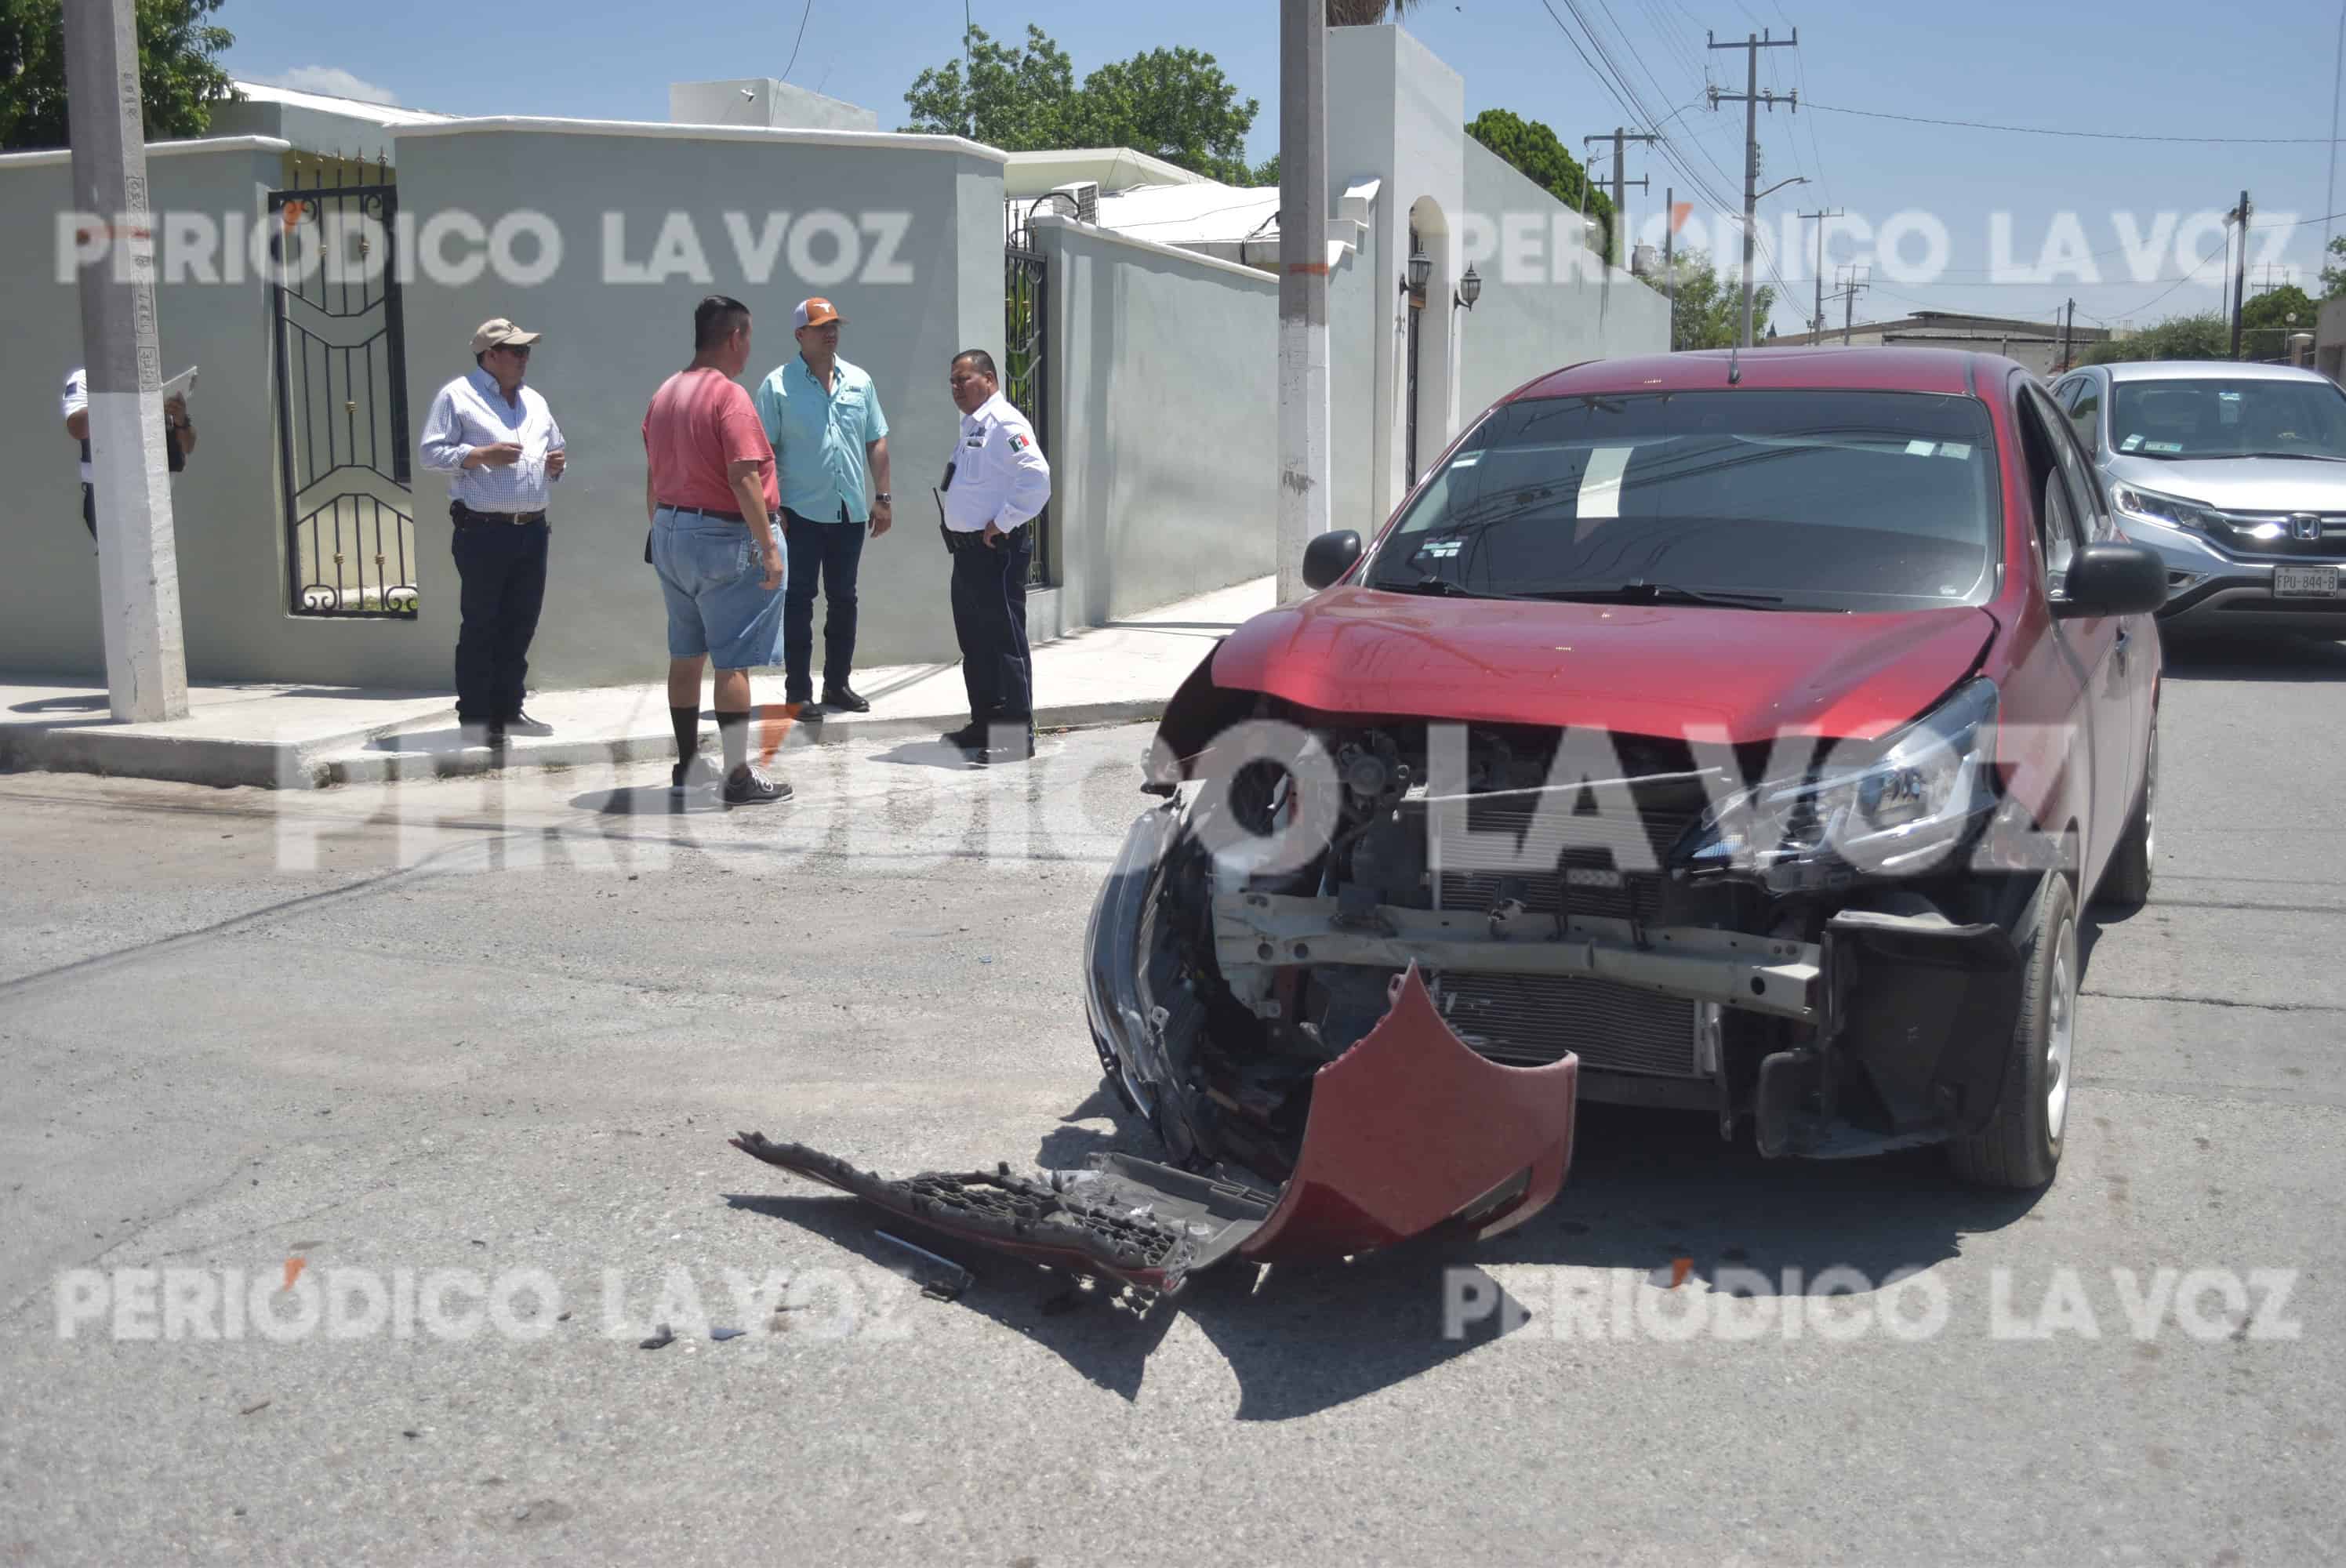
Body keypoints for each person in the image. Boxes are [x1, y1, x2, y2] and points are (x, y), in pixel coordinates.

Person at [642, 296, 792, 808]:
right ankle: (736, 777)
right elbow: (744, 474)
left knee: (686, 654)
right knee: (732, 664)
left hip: (670, 530)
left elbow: (653, 471)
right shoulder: (728, 396)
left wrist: (666, 531)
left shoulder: (666, 393)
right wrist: (769, 548)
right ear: (735, 337)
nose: (750, 348)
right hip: (725, 540)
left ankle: (686, 765)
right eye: (748, 338)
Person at [418, 318, 568, 747]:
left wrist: (557, 465)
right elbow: (431, 452)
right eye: (516, 351)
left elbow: (556, 446)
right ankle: (477, 718)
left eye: (526, 351)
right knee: (483, 623)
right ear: (490, 355)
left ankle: (509, 709)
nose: (524, 358)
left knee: (521, 623)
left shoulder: (534, 401)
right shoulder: (457, 396)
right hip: (483, 529)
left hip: (532, 528)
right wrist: (479, 454)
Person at [751, 297, 892, 713]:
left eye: (834, 326)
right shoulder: (777, 385)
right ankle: (798, 693)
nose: (831, 333)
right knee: (798, 601)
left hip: (849, 511)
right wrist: (773, 511)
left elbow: (876, 438)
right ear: (800, 335)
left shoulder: (859, 381)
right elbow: (764, 453)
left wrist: (882, 497)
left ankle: (837, 685)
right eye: (820, 327)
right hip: (800, 514)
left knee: (844, 599)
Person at [936, 350, 1051, 762]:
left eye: (962, 380)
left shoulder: (1005, 423)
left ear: (989, 378)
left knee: (1005, 642)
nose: (955, 388)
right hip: (967, 555)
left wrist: (1004, 521)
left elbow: (1037, 478)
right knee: (975, 642)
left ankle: (1016, 735)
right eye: (952, 381)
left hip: (996, 553)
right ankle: (986, 720)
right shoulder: (973, 426)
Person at [63, 367, 194, 543]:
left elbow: (188, 446)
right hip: (110, 498)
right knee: (123, 566)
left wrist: (181, 421)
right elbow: (76, 427)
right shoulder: (87, 378)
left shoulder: (148, 377)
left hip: (157, 497)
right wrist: (121, 402)